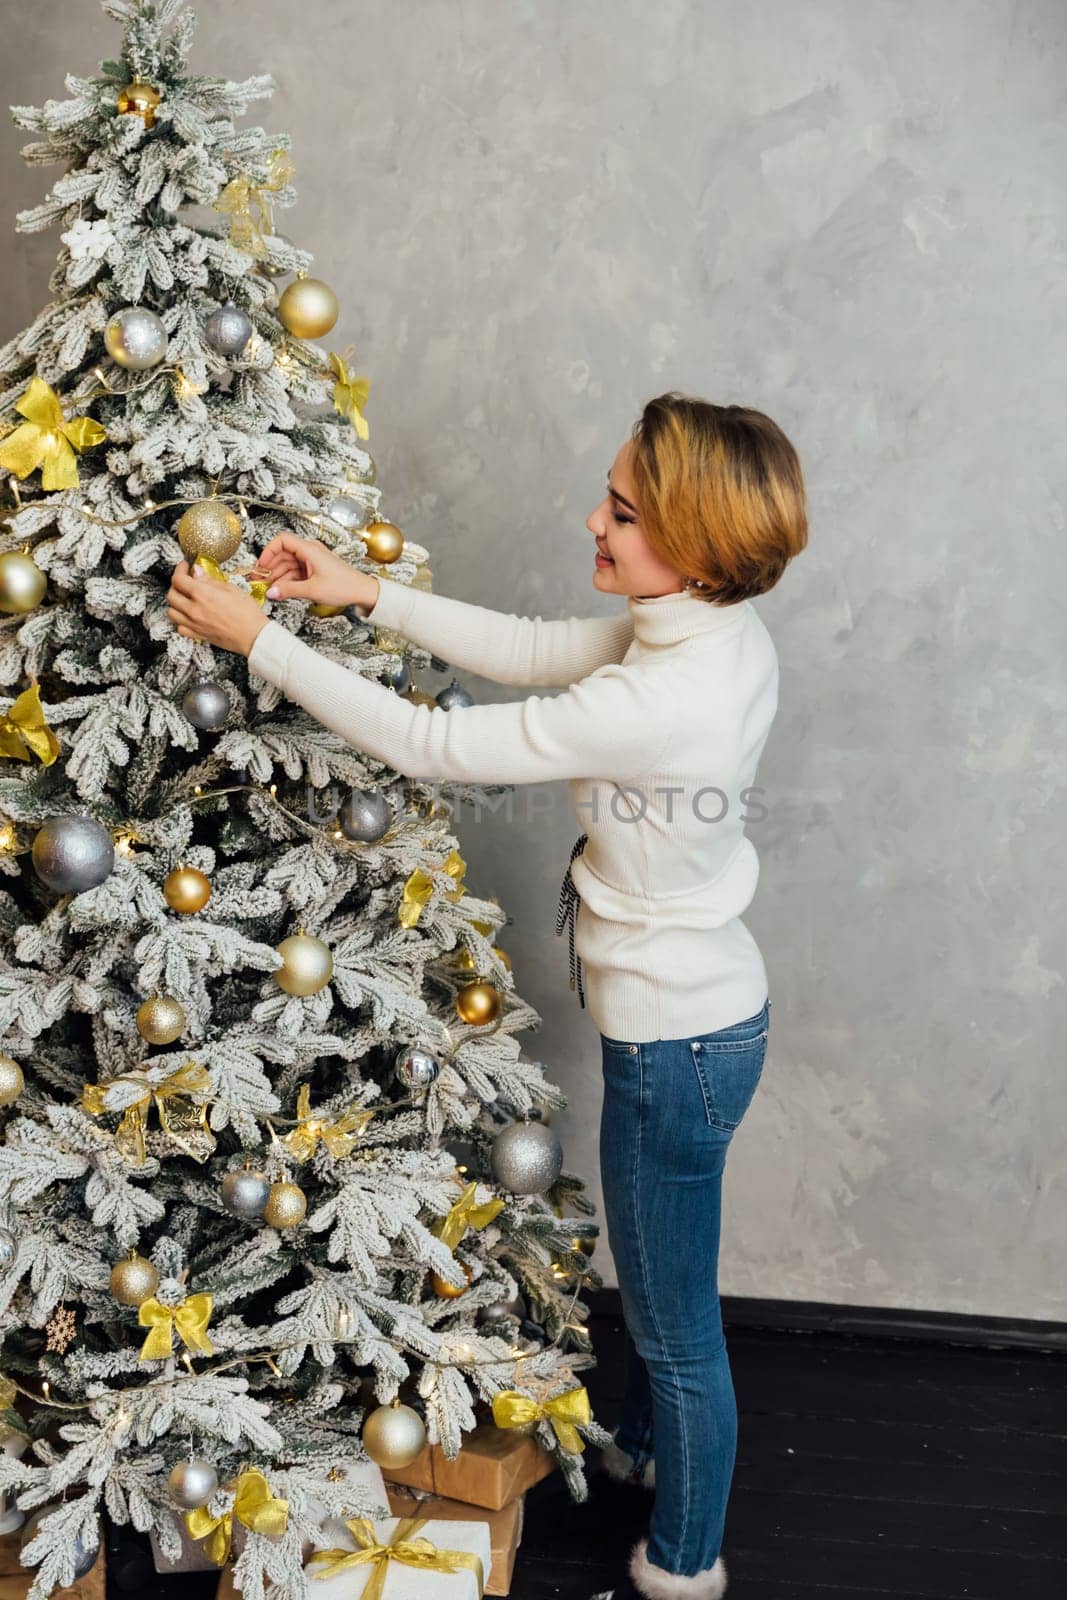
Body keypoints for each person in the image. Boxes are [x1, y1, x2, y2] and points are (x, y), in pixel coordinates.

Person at [166, 391, 808, 1600]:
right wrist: (360, 591)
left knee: (674, 1327)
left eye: (620, 512)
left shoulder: (663, 694)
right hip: (703, 1019)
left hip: (675, 1042)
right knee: (667, 1305)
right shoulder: (698, 632)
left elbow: (437, 747)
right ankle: (654, 1456)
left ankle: (683, 1561)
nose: (593, 520)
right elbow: (527, 646)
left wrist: (259, 637)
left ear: (695, 541)